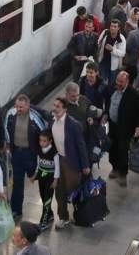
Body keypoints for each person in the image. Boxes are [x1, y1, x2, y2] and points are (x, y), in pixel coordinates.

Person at [4, 94, 47, 219]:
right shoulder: (11, 114)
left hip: (31, 155)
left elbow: (43, 132)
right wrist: (7, 144)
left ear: (28, 106)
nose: (18, 109)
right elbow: (6, 128)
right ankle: (16, 210)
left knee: (41, 181)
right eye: (17, 106)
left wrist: (42, 154)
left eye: (21, 107)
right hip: (17, 154)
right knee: (17, 183)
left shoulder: (34, 117)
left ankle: (47, 210)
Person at [50, 97, 90, 229]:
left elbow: (81, 146)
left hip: (72, 162)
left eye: (58, 107)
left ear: (65, 110)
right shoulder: (53, 122)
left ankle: (82, 215)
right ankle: (63, 217)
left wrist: (85, 165)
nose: (55, 108)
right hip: (59, 160)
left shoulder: (73, 125)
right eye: (54, 106)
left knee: (74, 191)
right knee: (59, 191)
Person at [107, 71, 139, 186]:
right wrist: (105, 114)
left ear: (127, 81)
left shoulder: (134, 94)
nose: (118, 83)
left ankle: (123, 174)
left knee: (122, 151)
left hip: (125, 128)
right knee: (112, 148)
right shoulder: (113, 89)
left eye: (121, 82)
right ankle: (114, 168)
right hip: (112, 126)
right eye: (117, 80)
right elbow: (109, 103)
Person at [31, 131, 60, 231]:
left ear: (50, 141)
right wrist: (35, 175)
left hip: (50, 179)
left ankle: (43, 223)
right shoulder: (39, 150)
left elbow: (57, 167)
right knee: (43, 198)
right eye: (40, 141)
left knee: (47, 200)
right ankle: (50, 215)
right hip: (42, 178)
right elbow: (38, 164)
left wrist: (56, 180)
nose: (41, 143)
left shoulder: (54, 152)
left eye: (44, 141)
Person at [97, 19, 126, 86]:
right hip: (103, 61)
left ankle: (109, 94)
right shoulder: (105, 32)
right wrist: (98, 44)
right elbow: (99, 42)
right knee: (102, 81)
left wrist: (112, 49)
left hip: (113, 65)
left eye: (115, 26)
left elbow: (122, 53)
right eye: (111, 26)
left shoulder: (121, 39)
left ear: (118, 28)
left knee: (111, 83)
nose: (112, 28)